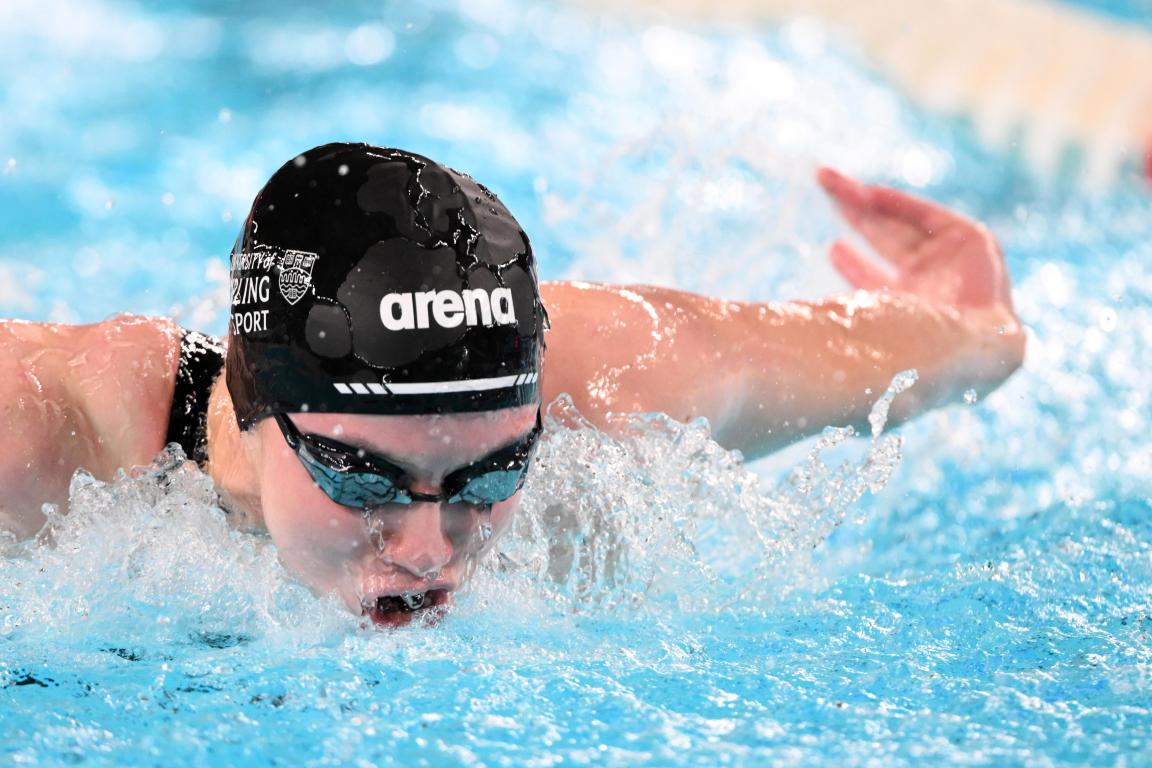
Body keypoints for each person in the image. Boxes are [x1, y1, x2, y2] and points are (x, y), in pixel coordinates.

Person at [0, 143, 1025, 625]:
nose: (429, 551)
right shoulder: (36, 439)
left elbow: (945, 348)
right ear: (254, 394)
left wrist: (981, 327)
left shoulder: (618, 384)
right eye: (363, 479)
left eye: (491, 476)